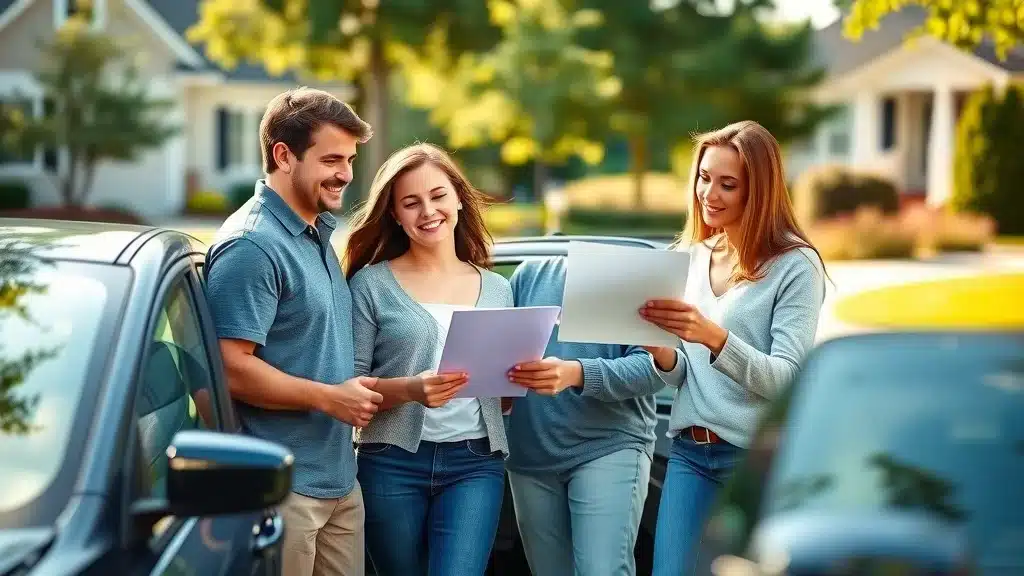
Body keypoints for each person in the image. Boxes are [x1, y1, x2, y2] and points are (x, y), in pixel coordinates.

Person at [204, 88, 454, 576]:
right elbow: (229, 368)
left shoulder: (316, 233)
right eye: (332, 159)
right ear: (283, 155)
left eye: (351, 159)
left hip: (339, 481)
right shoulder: (253, 245)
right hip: (283, 486)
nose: (346, 174)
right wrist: (327, 398)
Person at [641, 120, 827, 575]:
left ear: (758, 192)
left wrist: (714, 336)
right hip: (689, 452)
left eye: (728, 184)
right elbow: (686, 371)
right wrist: (661, 352)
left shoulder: (796, 267)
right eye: (705, 177)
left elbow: (787, 379)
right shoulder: (694, 256)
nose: (710, 193)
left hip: (753, 461)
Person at [343, 143, 511, 575]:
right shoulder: (371, 286)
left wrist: (517, 381)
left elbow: (500, 401)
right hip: (390, 463)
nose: (428, 211)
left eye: (438, 195)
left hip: (475, 463)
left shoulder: (497, 289)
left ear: (457, 196)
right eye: (411, 203)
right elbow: (349, 391)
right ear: (395, 214)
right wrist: (411, 390)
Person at [503, 256, 673, 576]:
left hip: (607, 446)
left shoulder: (635, 275)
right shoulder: (529, 275)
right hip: (530, 458)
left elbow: (654, 372)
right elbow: (501, 360)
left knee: (602, 570)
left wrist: (577, 373)